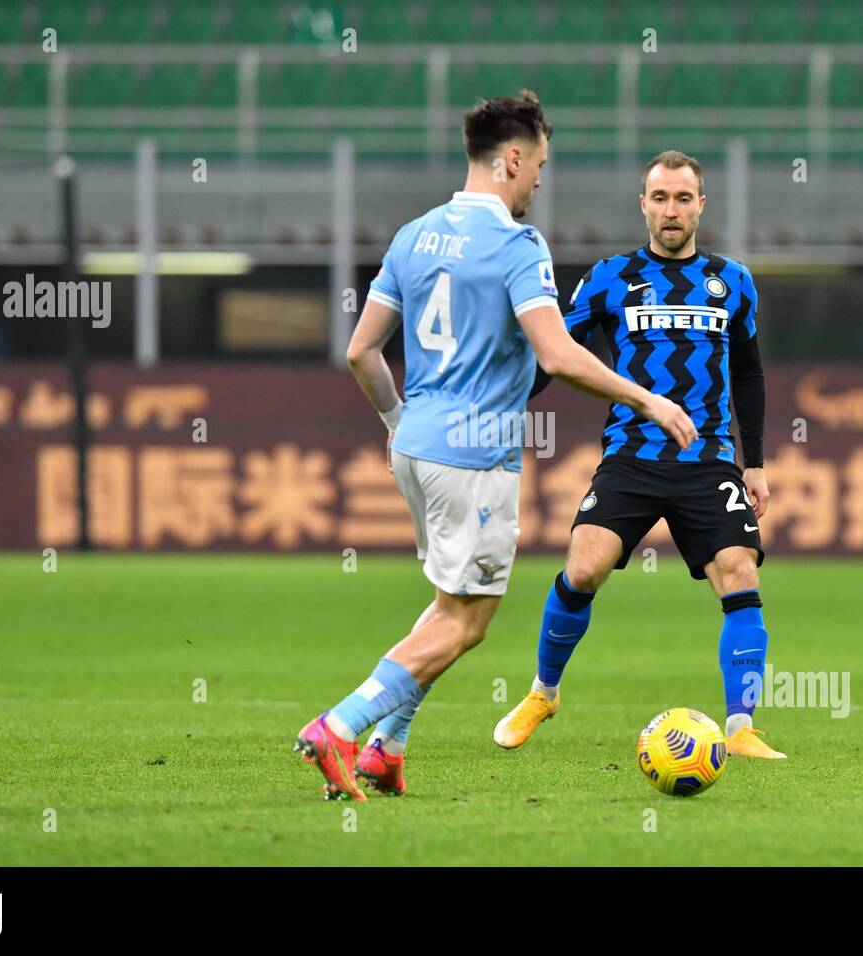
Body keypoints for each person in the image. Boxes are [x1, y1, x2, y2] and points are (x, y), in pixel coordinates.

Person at [296, 94, 698, 800]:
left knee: (448, 605)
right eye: (539, 164)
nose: (540, 180)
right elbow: (560, 354)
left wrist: (396, 420)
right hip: (474, 455)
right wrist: (647, 398)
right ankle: (340, 725)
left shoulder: (413, 235)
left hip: (414, 446)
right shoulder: (518, 245)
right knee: (470, 620)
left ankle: (388, 747)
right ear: (512, 158)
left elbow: (362, 351)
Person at [493, 150, 786, 760]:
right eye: (660, 198)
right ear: (643, 205)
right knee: (585, 567)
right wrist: (506, 402)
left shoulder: (733, 281)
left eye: (683, 198)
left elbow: (750, 375)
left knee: (741, 573)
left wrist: (754, 461)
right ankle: (544, 692)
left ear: (701, 204)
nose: (671, 210)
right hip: (631, 452)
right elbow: (555, 354)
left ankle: (741, 727)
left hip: (708, 458)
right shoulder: (609, 277)